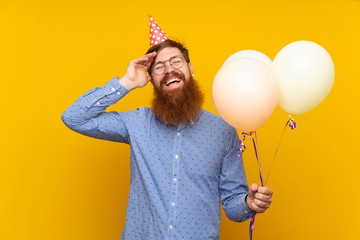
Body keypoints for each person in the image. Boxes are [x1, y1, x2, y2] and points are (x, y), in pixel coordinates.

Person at [61, 39, 273, 240]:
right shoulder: (136, 123)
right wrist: (126, 82)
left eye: (176, 62)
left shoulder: (223, 131)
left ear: (190, 69)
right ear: (151, 79)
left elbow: (233, 207)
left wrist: (248, 202)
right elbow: (74, 117)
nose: (169, 69)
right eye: (159, 67)